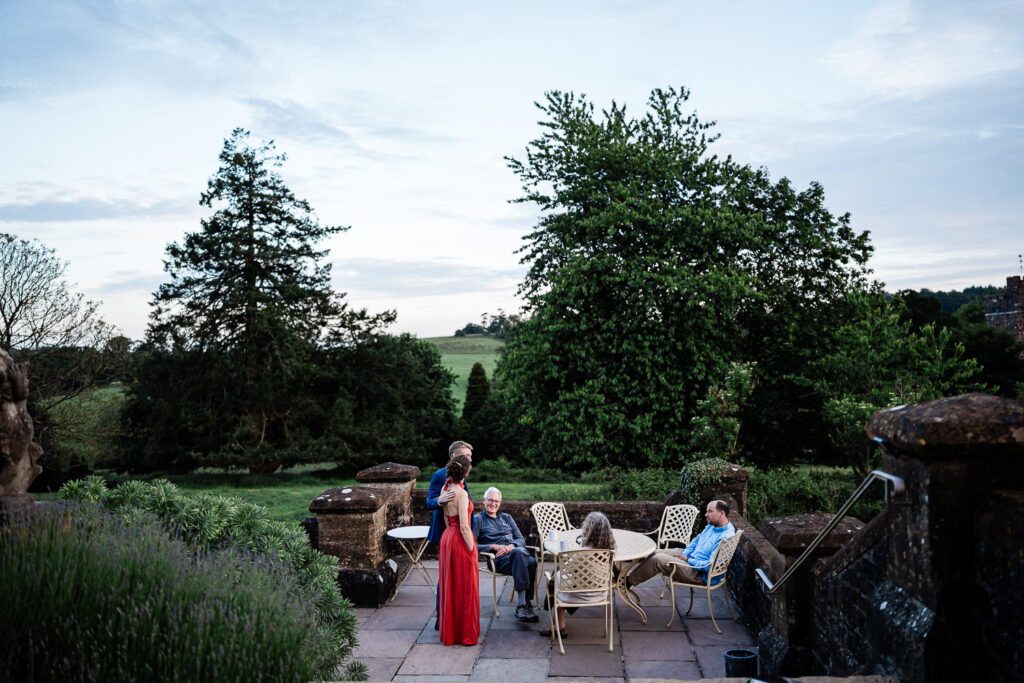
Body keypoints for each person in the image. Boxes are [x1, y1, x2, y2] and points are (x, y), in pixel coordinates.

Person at [539, 511, 616, 638]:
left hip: (580, 595)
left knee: (554, 578)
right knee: (559, 576)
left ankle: (559, 626)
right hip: (601, 593)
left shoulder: (580, 554)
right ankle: (559, 624)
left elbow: (565, 569)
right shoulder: (610, 552)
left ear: (588, 530)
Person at [626, 500, 736, 588]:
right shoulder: (713, 525)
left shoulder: (725, 537)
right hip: (691, 556)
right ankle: (627, 577)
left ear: (721, 513)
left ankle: (627, 582)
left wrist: (687, 560)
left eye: (710, 511)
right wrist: (686, 554)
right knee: (654, 552)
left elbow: (708, 566)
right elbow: (696, 540)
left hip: (698, 573)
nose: (706, 515)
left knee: (658, 559)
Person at [472, 486, 539, 622]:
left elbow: (520, 539)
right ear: (484, 501)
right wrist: (492, 546)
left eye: (496, 501)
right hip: (497, 561)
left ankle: (525, 604)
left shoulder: (507, 518)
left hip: (514, 555)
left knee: (530, 561)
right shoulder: (478, 520)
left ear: (500, 503)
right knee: (524, 556)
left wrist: (510, 547)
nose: (493, 504)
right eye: (490, 500)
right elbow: (471, 545)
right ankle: (522, 606)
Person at [426, 441, 473, 629]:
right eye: (466, 456)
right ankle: (442, 616)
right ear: (454, 456)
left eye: (470, 456)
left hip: (459, 531)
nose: (470, 460)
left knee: (459, 576)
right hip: (446, 531)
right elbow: (428, 502)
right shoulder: (439, 475)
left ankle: (456, 616)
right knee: (446, 576)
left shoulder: (461, 474)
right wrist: (438, 500)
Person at [437, 453, 480, 645]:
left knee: (451, 584)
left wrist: (450, 536)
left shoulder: (445, 488)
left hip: (447, 537)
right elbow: (464, 526)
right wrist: (472, 549)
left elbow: (447, 519)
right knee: (466, 585)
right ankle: (466, 634)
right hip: (460, 538)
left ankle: (451, 632)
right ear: (466, 472)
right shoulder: (461, 494)